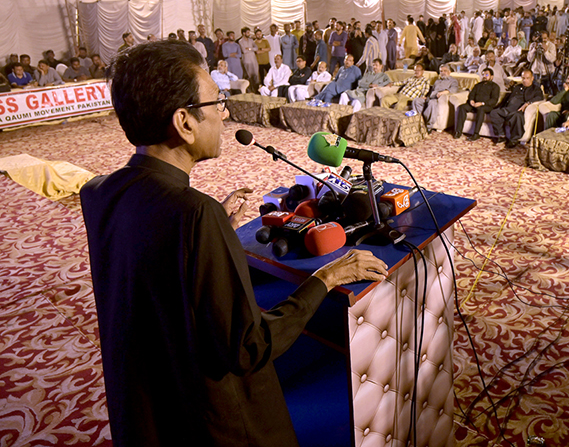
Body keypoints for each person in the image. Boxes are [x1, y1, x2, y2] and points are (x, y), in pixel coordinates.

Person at [79, 39, 387, 447]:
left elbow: (145, 267)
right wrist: (327, 277)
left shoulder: (99, 191)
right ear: (184, 122)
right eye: (216, 102)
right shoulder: (193, 214)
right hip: (210, 422)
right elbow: (248, 348)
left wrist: (207, 234)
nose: (224, 113)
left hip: (145, 411)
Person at [489, 69, 542, 148]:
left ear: (532, 78)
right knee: (494, 112)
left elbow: (540, 97)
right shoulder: (517, 87)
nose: (525, 80)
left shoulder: (536, 88)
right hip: (507, 109)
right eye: (523, 78)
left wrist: (528, 103)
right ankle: (501, 135)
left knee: (516, 116)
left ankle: (514, 140)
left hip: (518, 110)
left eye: (527, 78)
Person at [453, 68, 501, 141]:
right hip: (474, 104)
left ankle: (476, 134)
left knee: (481, 109)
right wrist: (471, 100)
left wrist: (481, 103)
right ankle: (458, 131)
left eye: (487, 74)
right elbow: (472, 94)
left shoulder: (495, 87)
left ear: (492, 76)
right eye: (483, 74)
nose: (484, 76)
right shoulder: (478, 85)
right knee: (462, 107)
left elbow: (494, 100)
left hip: (486, 106)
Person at [412, 64, 460, 132]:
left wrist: (443, 92)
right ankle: (418, 121)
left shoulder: (453, 81)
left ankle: (429, 126)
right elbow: (432, 90)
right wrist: (426, 97)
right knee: (416, 100)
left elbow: (454, 89)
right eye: (441, 71)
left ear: (449, 71)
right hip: (430, 97)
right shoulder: (437, 81)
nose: (442, 73)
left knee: (432, 103)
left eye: (445, 71)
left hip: (438, 99)